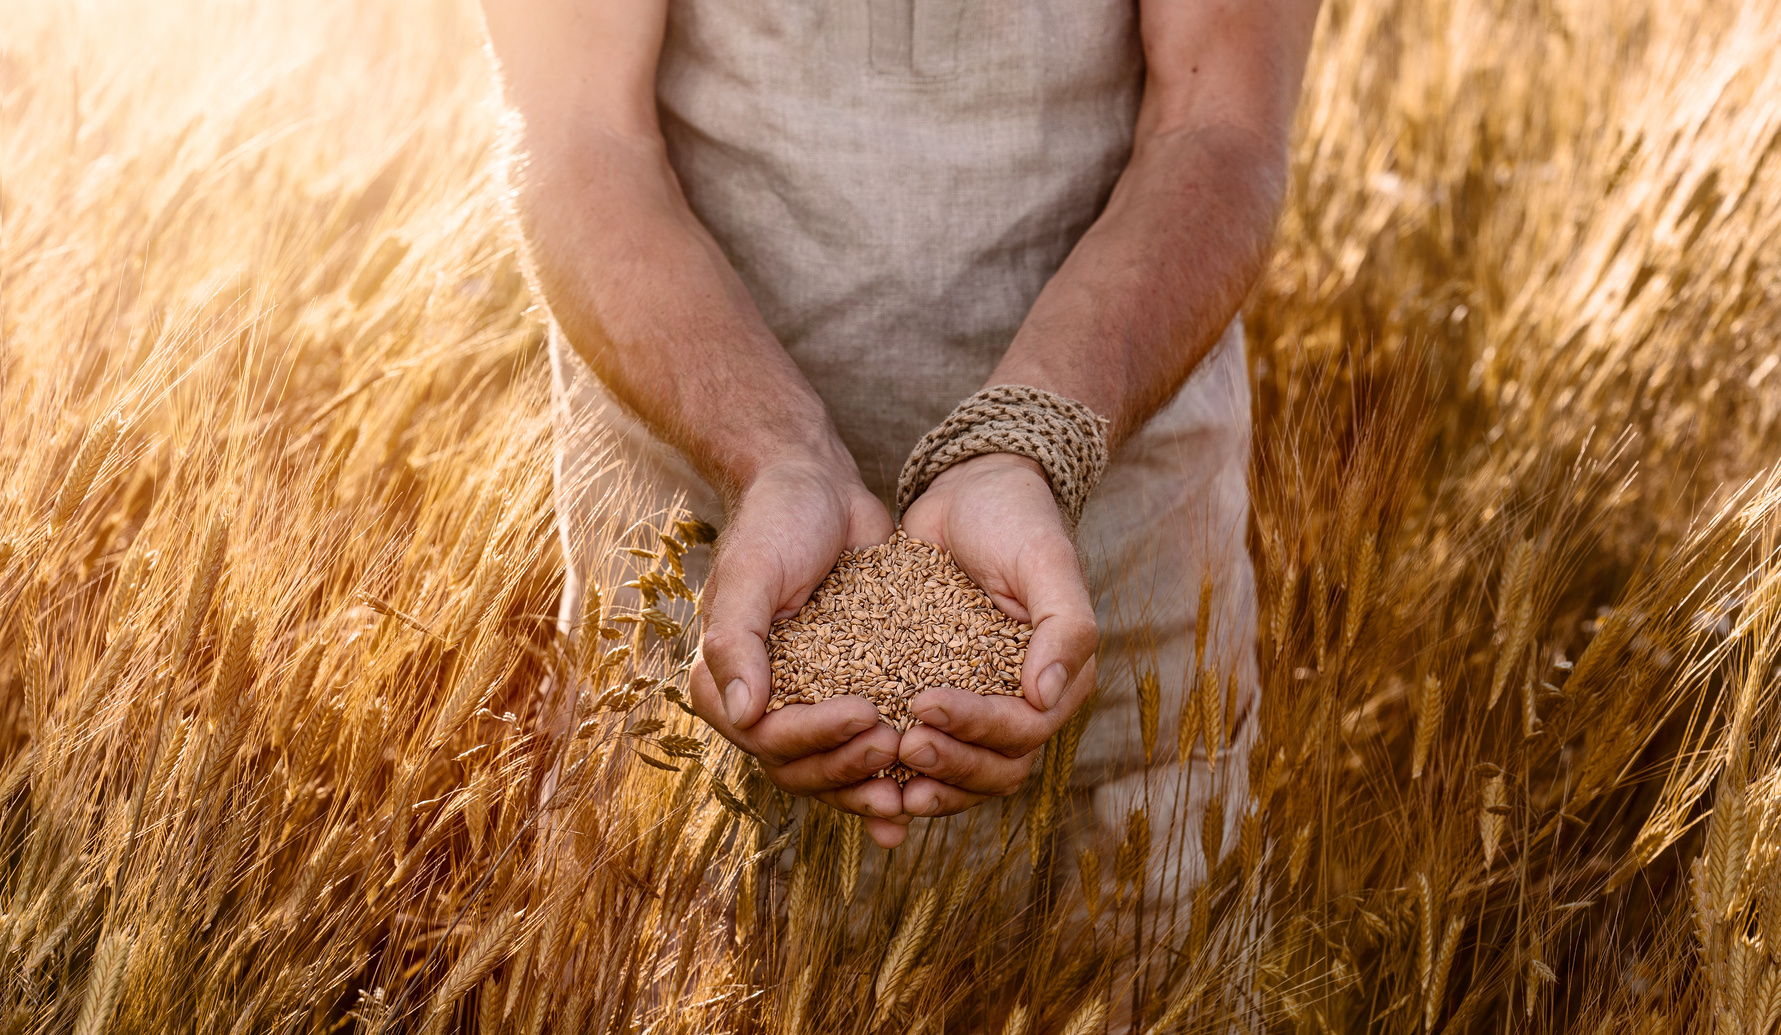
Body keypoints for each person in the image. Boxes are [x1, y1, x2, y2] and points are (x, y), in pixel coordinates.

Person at [479, 0, 1318, 881]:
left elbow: (1217, 126)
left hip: (1124, 579)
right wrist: (773, 453)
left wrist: (1025, 443)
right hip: (689, 571)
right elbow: (578, 135)